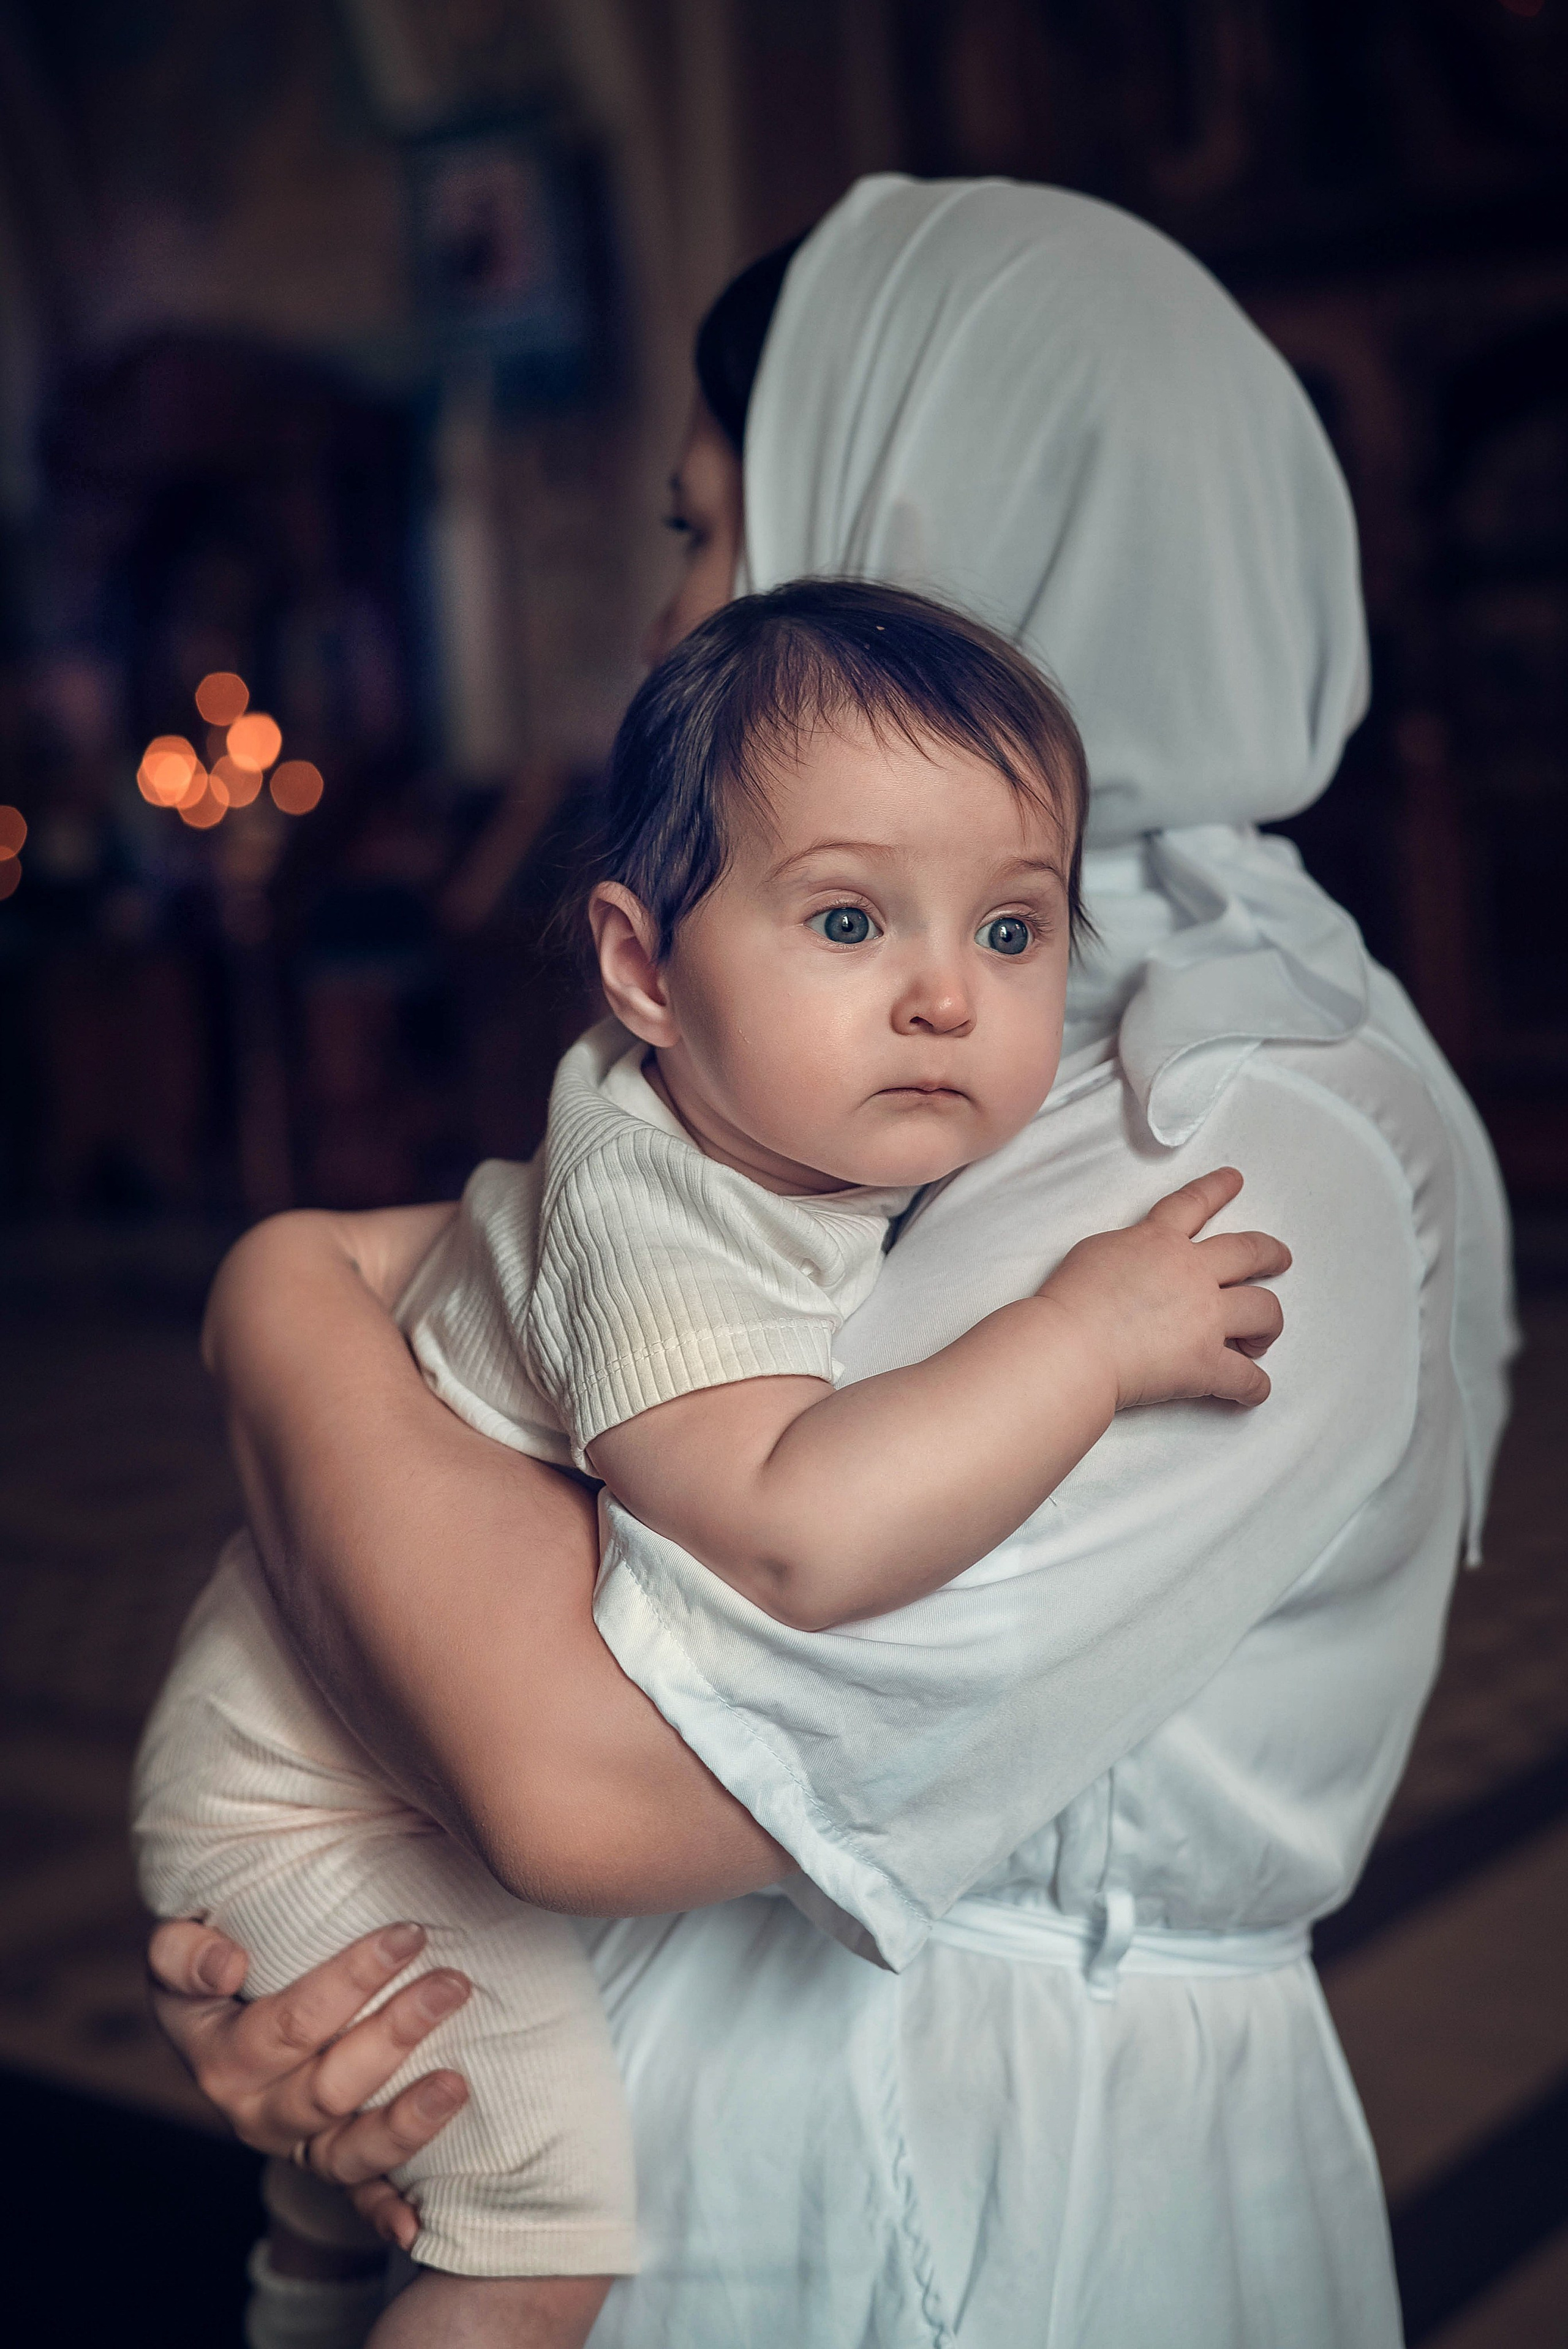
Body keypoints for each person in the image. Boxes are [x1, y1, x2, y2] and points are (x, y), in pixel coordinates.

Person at [148, 176, 1513, 2349]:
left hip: (1007, 2187)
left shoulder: (1258, 1129)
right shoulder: (863, 1028)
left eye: (707, 525)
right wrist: (328, 1984)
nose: (676, 604)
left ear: (912, 503)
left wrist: (278, 1308)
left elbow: (583, 1769)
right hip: (686, 2089)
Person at [134, 576, 1290, 2348]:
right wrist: (1088, 1334)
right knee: (530, 2237)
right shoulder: (663, 1218)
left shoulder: (762, 1122)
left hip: (330, 1707)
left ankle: (297, 2290)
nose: (940, 998)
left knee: (351, 2186)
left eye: (1013, 931)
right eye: (848, 919)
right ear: (640, 968)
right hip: (305, 1787)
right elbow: (789, 1527)